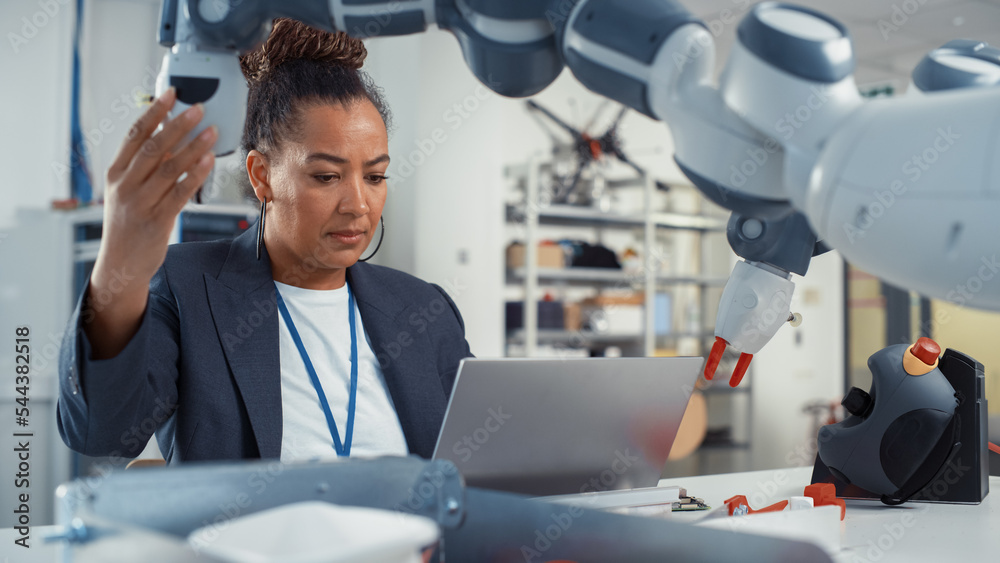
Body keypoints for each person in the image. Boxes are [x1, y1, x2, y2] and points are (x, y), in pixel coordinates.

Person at [57, 19, 473, 464]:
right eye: (326, 176)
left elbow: (480, 464)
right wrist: (121, 259)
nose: (358, 204)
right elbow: (100, 432)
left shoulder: (425, 310)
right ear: (262, 176)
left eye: (375, 176)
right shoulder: (185, 289)